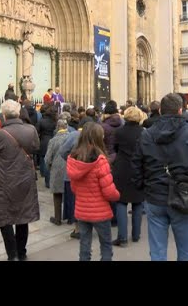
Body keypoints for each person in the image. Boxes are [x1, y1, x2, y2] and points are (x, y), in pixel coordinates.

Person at [131, 93, 188, 261]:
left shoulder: (146, 134)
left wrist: (142, 187)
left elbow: (136, 165)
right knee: (186, 249)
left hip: (155, 194)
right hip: (184, 195)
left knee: (157, 250)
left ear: (160, 110)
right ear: (180, 110)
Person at [0, 100, 40, 261]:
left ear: (3, 115)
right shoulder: (31, 130)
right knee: (23, 216)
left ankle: (13, 254)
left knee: (5, 217)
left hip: (5, 179)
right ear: (18, 113)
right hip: (25, 177)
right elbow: (36, 148)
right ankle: (21, 252)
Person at [67, 122, 120, 261]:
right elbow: (108, 191)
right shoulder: (100, 160)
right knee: (106, 244)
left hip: (82, 209)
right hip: (100, 210)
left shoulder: (74, 158)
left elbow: (74, 187)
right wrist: (117, 195)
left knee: (84, 243)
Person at [112, 107, 145, 247]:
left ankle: (122, 237)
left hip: (122, 168)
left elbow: (115, 149)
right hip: (138, 168)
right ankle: (136, 235)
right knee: (138, 202)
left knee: (121, 202)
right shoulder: (143, 132)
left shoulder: (119, 132)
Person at [45, 119, 70, 226]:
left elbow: (47, 158)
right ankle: (70, 218)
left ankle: (57, 218)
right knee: (70, 194)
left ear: (57, 127)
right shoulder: (71, 137)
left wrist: (50, 168)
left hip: (57, 169)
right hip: (70, 168)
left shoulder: (53, 141)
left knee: (57, 194)